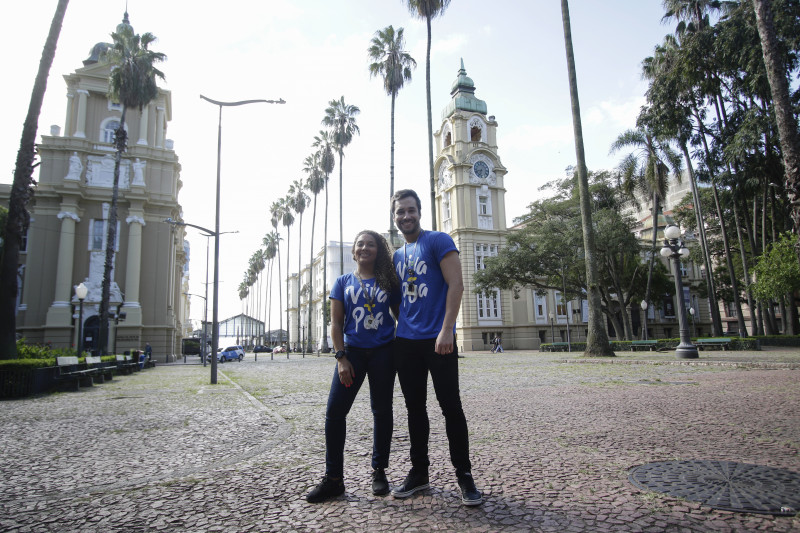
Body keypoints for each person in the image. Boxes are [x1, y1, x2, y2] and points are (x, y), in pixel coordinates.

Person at [389, 189, 483, 506]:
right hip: (407, 344)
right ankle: (419, 473)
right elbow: (396, 298)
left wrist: (446, 329)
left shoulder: (438, 241)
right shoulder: (397, 256)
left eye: (411, 210)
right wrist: (403, 325)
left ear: (419, 212)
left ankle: (464, 475)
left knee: (450, 407)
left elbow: (456, 284)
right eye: (400, 211)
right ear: (395, 217)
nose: (406, 216)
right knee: (415, 410)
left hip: (439, 341)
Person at [306, 230, 401, 503]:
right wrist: (340, 357)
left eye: (370, 244)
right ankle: (334, 479)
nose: (365, 248)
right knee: (335, 413)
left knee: (382, 411)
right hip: (353, 355)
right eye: (360, 244)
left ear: (378, 250)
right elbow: (335, 323)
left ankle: (379, 471)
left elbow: (400, 317)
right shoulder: (342, 282)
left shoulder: (388, 281)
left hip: (384, 353)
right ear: (354, 251)